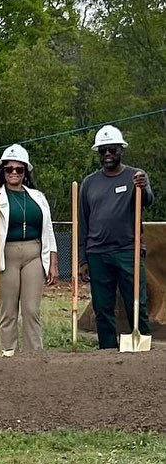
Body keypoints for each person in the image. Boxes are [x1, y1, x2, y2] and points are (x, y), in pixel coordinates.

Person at [78, 125, 153, 349]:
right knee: (103, 306)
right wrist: (83, 259)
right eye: (103, 151)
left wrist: (144, 187)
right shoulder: (89, 183)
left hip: (128, 250)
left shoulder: (135, 176)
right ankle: (107, 351)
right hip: (97, 253)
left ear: (121, 149)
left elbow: (148, 201)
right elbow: (84, 221)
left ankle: (142, 346)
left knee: (136, 302)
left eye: (112, 149)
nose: (108, 154)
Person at [0, 144, 58, 353]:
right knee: (8, 310)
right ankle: (8, 352)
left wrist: (53, 260)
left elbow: (48, 229)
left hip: (34, 254)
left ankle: (34, 353)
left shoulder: (38, 197)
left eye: (19, 169)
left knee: (31, 309)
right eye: (9, 169)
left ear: (25, 172)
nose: (14, 173)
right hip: (6, 255)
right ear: (3, 171)